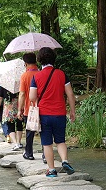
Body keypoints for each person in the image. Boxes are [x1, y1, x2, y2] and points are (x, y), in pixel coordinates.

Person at [29, 47, 76, 177]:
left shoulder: (36, 76)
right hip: (60, 113)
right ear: (53, 59)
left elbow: (32, 97)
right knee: (60, 141)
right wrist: (72, 111)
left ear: (39, 60)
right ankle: (65, 161)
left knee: (47, 143)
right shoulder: (62, 74)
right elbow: (70, 94)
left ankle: (52, 170)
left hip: (44, 114)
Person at [18, 52, 39, 160]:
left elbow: (22, 94)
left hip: (29, 109)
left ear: (25, 63)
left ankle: (29, 153)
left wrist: (19, 110)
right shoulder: (41, 73)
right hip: (42, 107)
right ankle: (45, 156)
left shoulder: (24, 76)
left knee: (29, 132)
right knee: (44, 132)